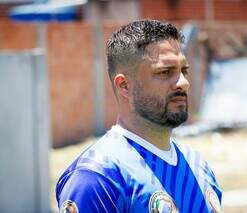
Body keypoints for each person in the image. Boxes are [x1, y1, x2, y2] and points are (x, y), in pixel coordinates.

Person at [56, 19, 222, 213]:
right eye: (165, 72)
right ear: (124, 86)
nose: (183, 82)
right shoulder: (98, 175)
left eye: (183, 71)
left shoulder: (198, 165)